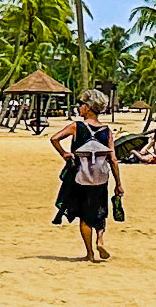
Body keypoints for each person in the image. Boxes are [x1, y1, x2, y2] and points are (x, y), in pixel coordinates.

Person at [46, 91, 123, 263]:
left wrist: (65, 154)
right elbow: (113, 160)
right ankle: (100, 239)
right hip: (101, 178)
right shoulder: (106, 130)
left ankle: (90, 253)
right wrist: (118, 184)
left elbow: (54, 138)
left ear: (88, 108)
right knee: (100, 212)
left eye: (81, 104)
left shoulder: (76, 127)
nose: (79, 108)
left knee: (84, 215)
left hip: (81, 177)